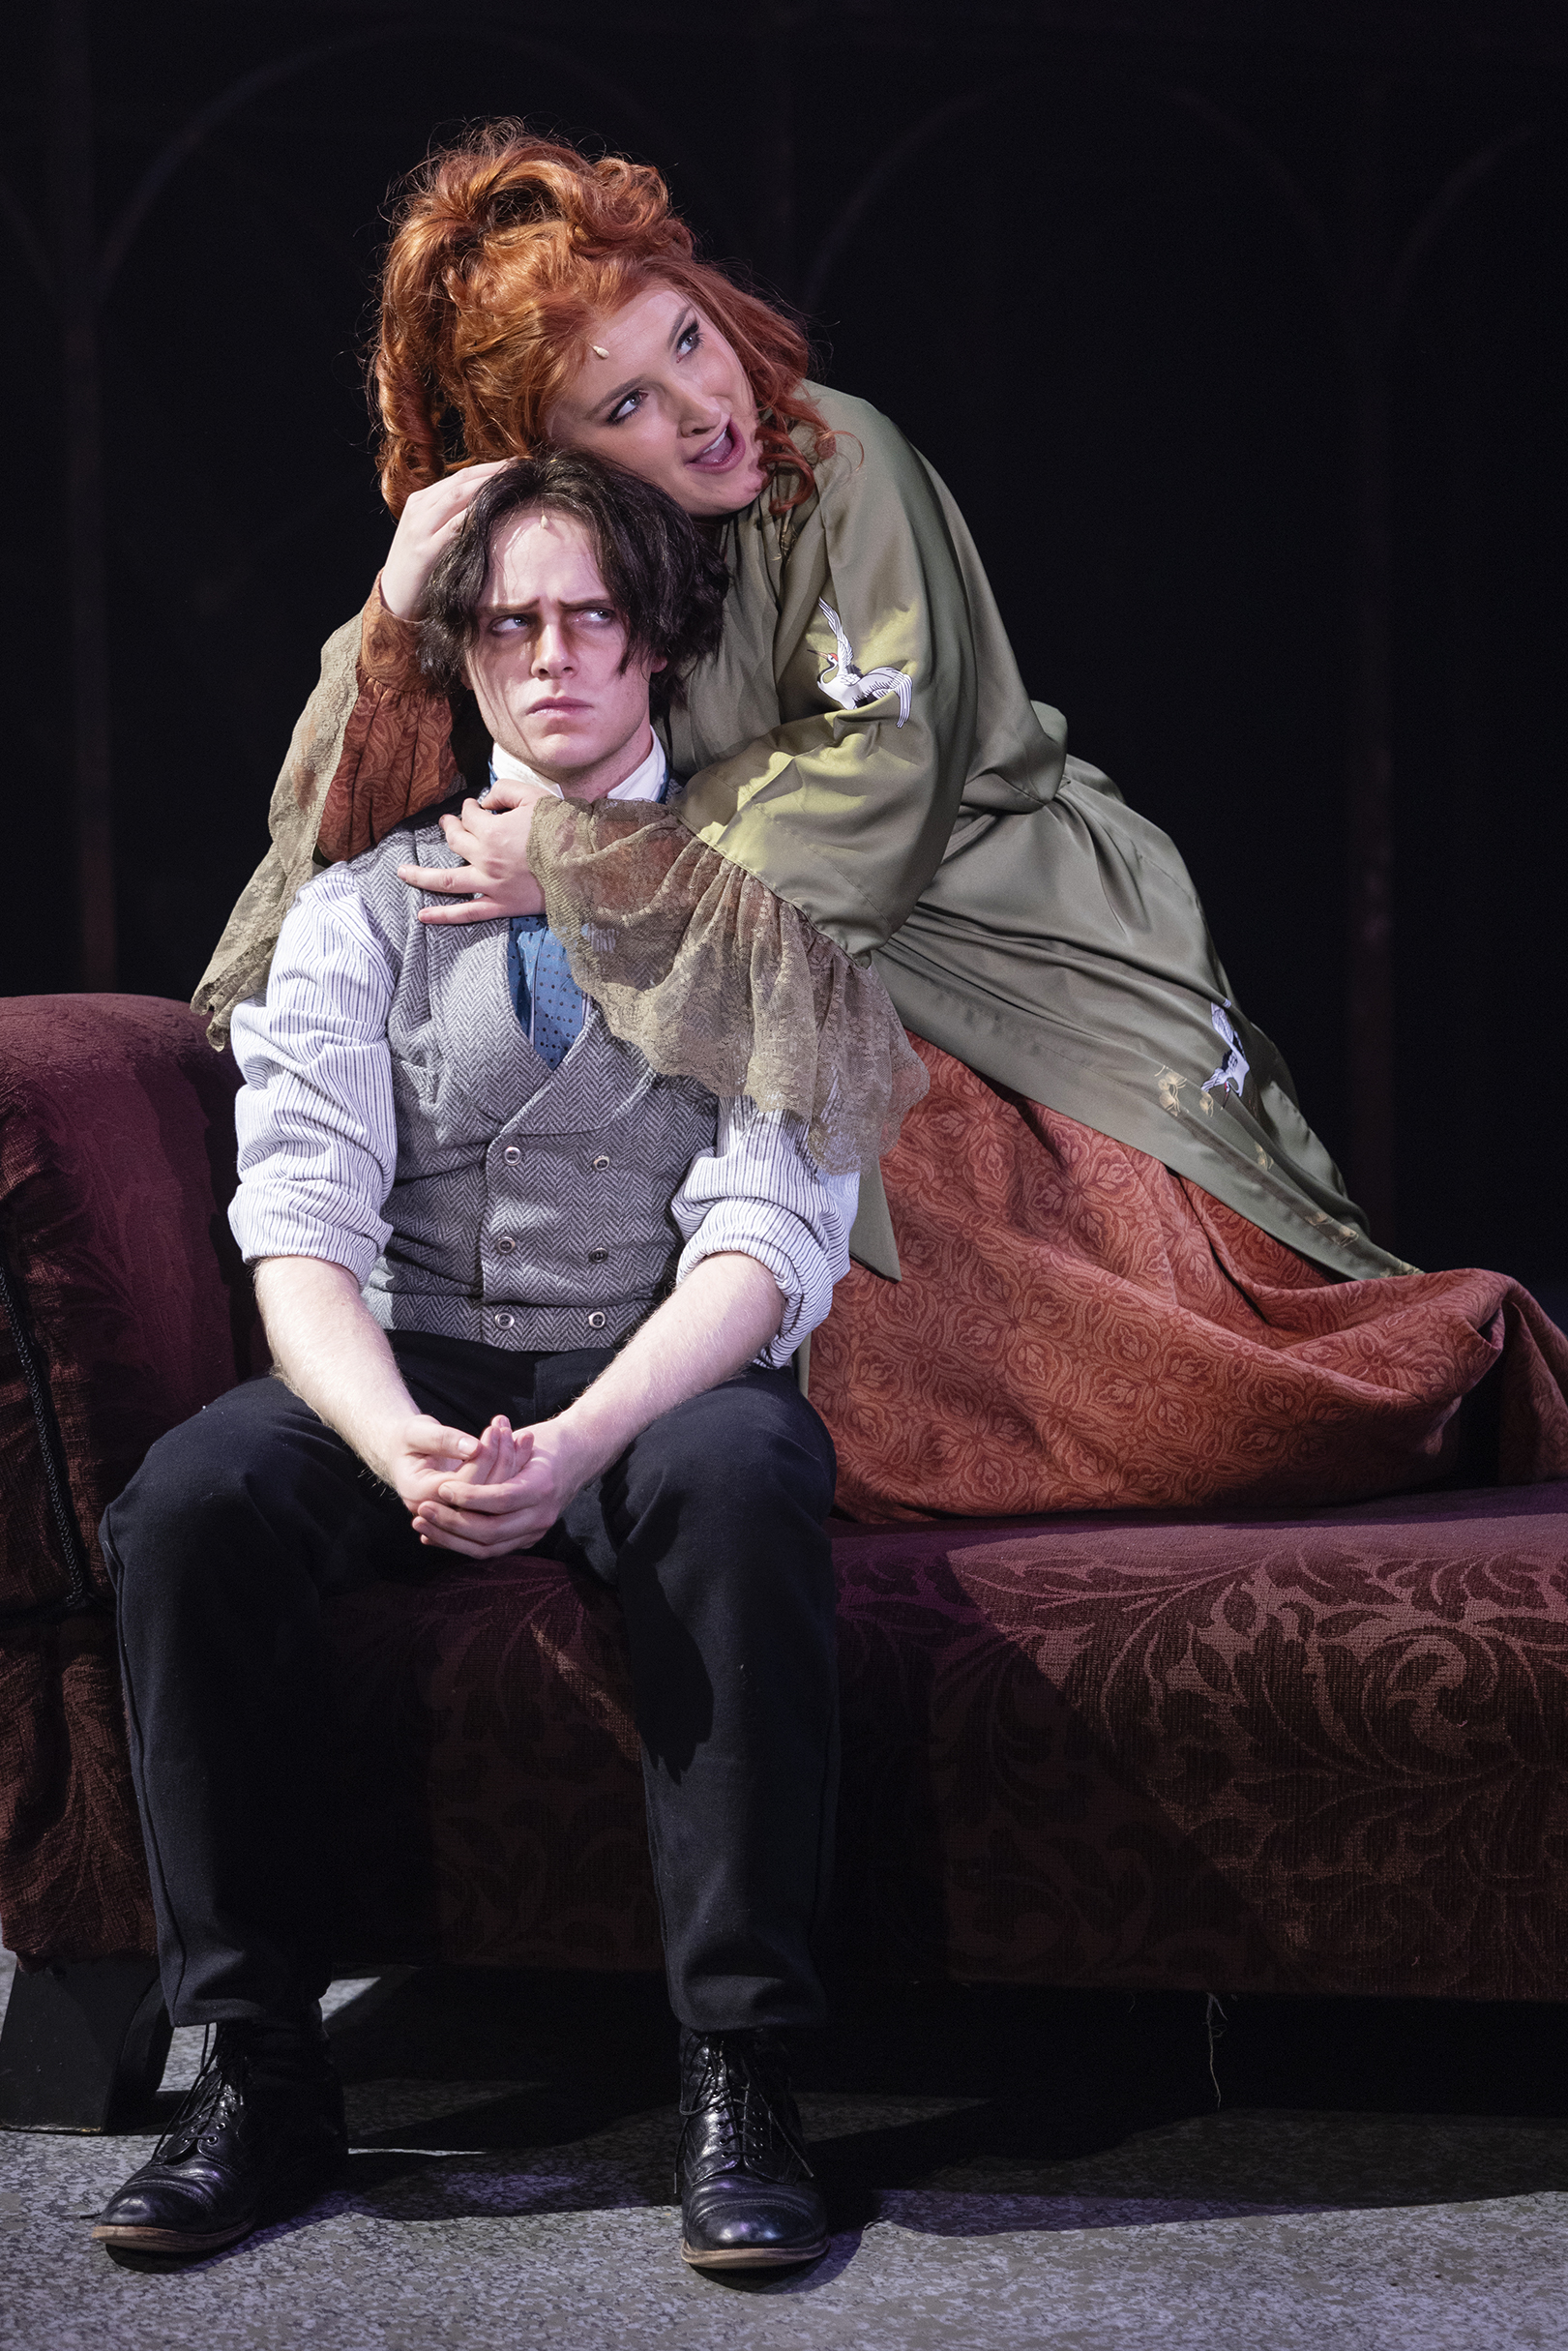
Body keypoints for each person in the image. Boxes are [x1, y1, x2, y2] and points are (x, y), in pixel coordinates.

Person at [196, 123, 1568, 1519]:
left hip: (980, 913)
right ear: (556, 465)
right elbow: (342, 819)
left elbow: (881, 770)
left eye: (684, 338)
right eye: (618, 413)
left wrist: (584, 863)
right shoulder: (576, 567)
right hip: (748, 947)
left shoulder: (836, 457)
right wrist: (399, 596)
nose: (694, 404)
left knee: (1087, 1304)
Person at [93, 451, 868, 2272]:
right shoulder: (361, 909)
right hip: (409, 1352)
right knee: (194, 1499)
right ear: (462, 653)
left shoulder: (769, 915)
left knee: (744, 1482)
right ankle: (258, 2064)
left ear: (659, 640)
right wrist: (390, 1441)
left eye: (590, 614)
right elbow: (299, 1220)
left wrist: (588, 1437)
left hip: (659, 1366)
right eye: (510, 621)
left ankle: (737, 2064)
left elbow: (766, 1240)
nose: (551, 658)